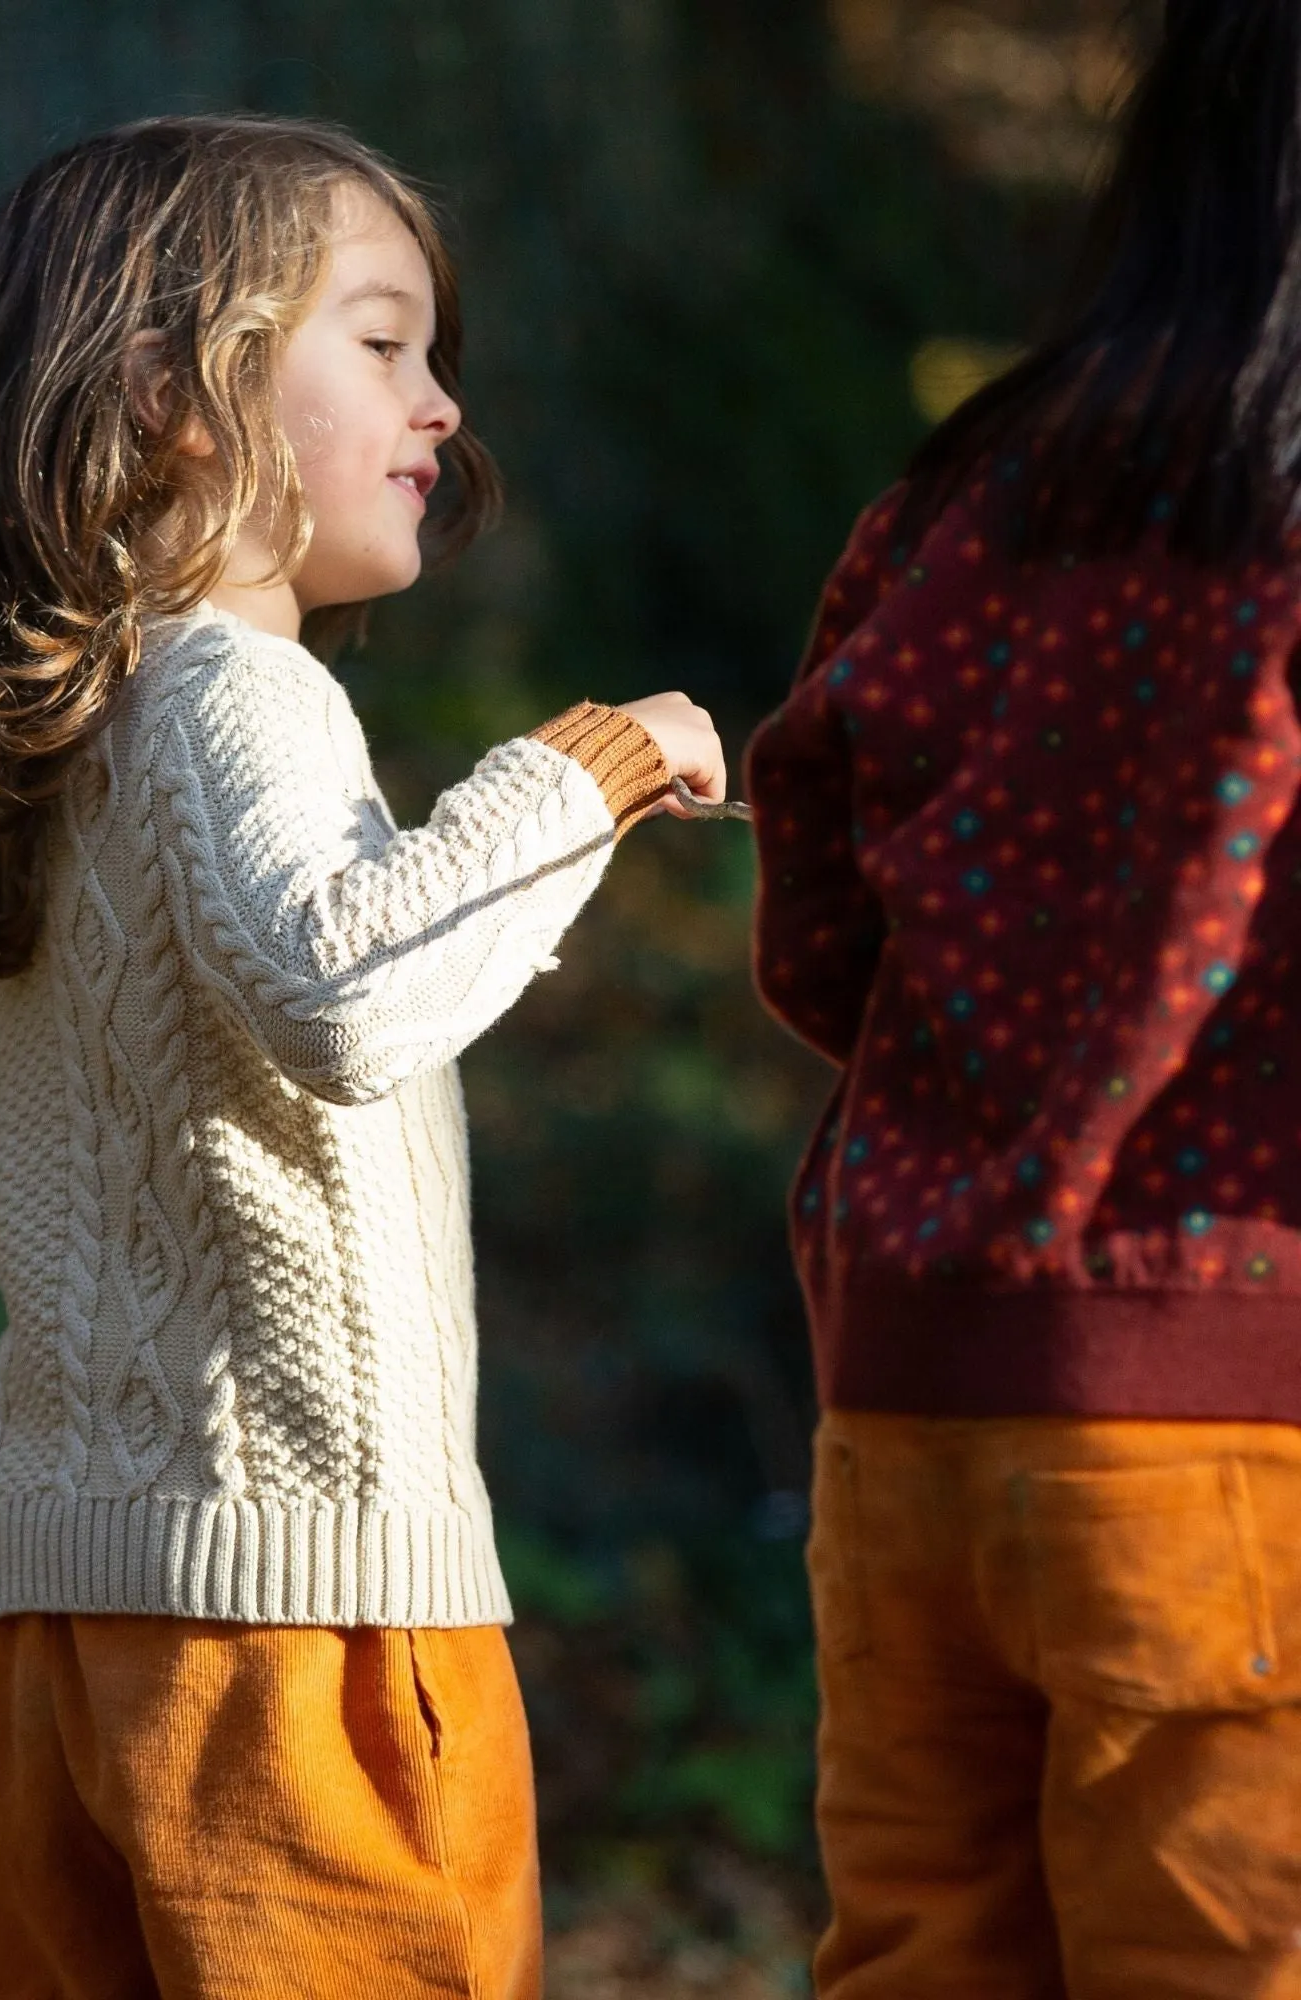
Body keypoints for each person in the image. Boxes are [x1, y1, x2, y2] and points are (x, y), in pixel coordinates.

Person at [0, 115, 726, 1997]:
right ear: (176, 395)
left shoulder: (82, 718)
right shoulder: (242, 689)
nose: (443, 402)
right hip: (297, 1623)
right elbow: (348, 993)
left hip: (70, 1611)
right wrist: (602, 765)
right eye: (380, 343)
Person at [748, 4, 1301, 1992]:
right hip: (1241, 1411)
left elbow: (811, 896)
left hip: (911, 1383)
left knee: (917, 1952)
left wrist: (989, 1076)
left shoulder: (974, 490)